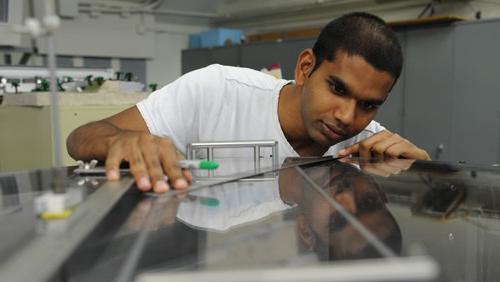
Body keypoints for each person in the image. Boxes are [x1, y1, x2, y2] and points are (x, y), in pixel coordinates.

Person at [67, 12, 430, 193]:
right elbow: (80, 138)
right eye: (337, 88)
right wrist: (121, 140)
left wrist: (424, 171)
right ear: (306, 68)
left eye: (368, 104)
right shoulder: (216, 90)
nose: (348, 117)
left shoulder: (369, 144)